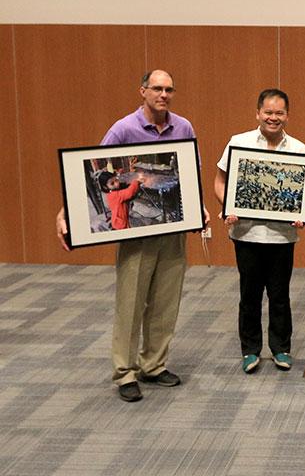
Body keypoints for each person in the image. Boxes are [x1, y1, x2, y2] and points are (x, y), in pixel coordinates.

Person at [55, 69, 206, 402]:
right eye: (156, 89)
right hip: (135, 234)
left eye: (169, 89)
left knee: (166, 300)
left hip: (172, 230)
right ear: (142, 91)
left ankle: (153, 364)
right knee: (131, 301)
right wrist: (66, 213)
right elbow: (87, 168)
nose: (163, 95)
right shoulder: (123, 129)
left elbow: (190, 173)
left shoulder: (183, 127)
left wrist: (199, 208)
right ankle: (125, 372)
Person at [213, 89, 305, 374]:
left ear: (287, 116)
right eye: (268, 112)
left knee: (280, 295)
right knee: (250, 295)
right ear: (257, 113)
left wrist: (300, 213)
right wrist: (227, 204)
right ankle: (250, 350)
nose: (273, 118)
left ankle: (281, 348)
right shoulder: (238, 142)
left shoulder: (298, 149)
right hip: (246, 234)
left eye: (279, 113)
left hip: (281, 236)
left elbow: (301, 192)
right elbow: (220, 181)